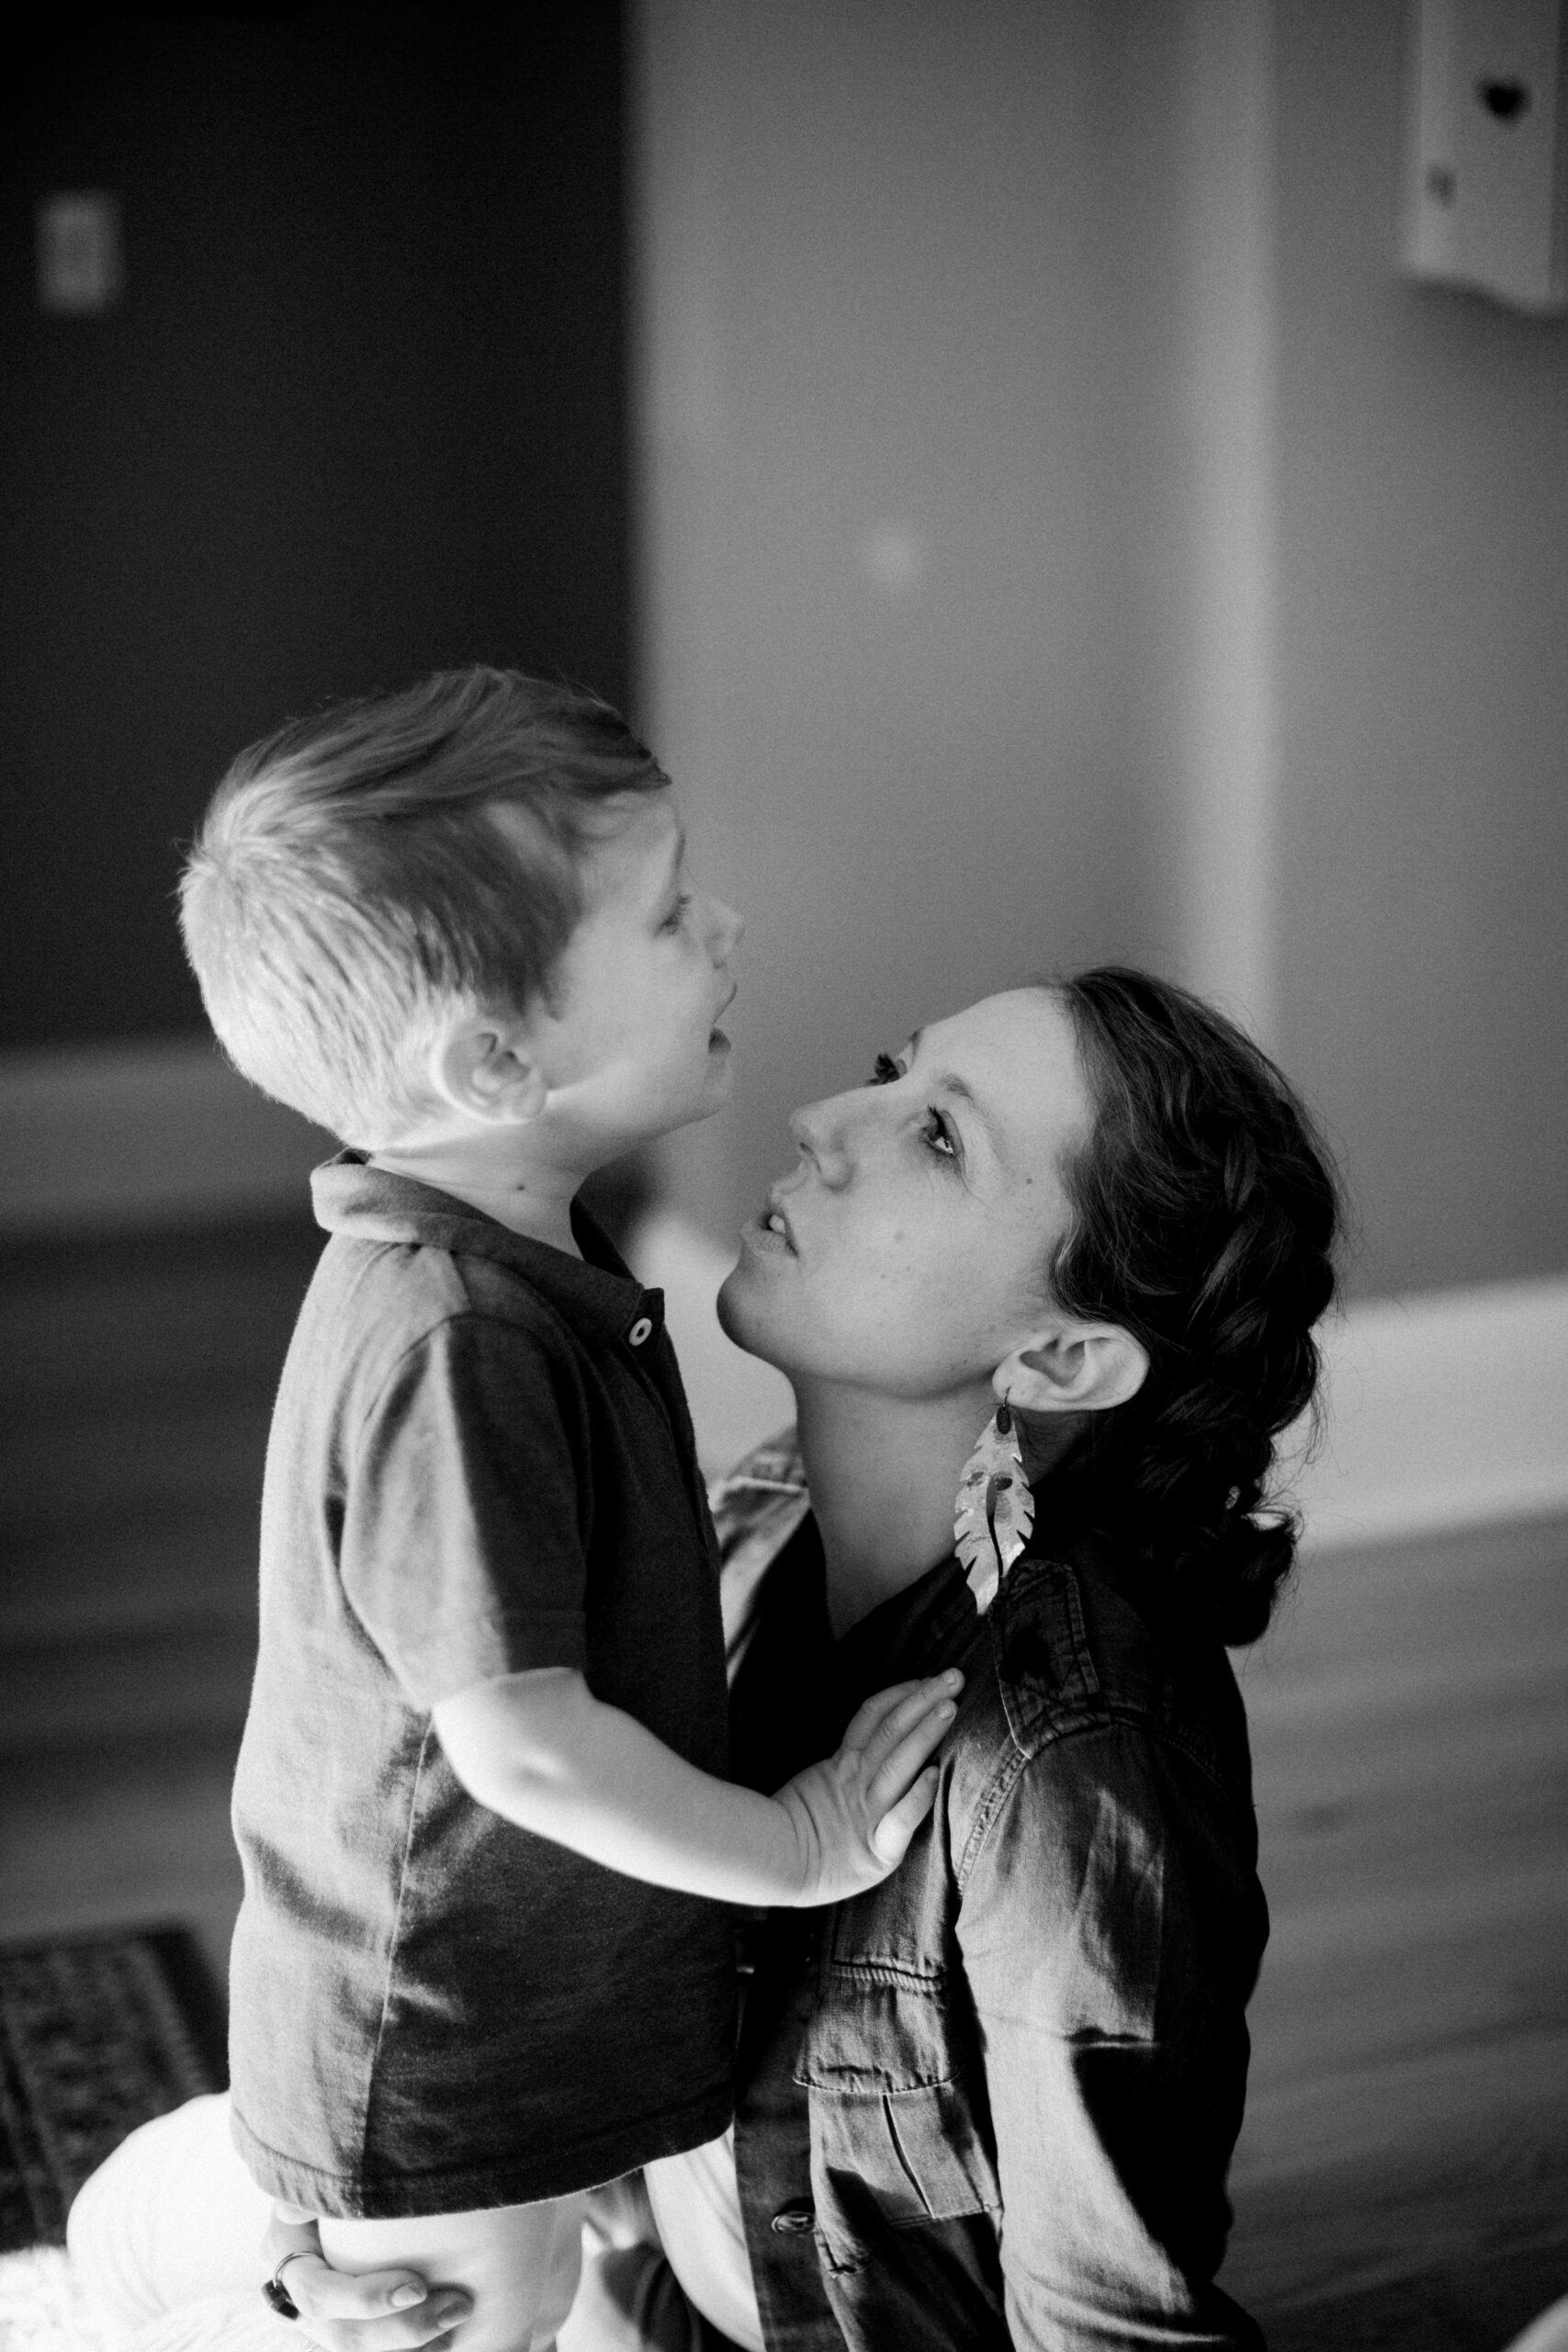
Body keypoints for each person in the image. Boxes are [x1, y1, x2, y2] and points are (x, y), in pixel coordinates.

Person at [72, 967, 1340, 2350]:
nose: (822, 1117)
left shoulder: (1070, 1767)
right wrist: (373, 2209)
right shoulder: (748, 1526)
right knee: (135, 2219)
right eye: (888, 1063)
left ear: (1066, 1357)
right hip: (643, 2279)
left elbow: (1109, 2324)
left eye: (937, 1138)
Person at [138, 668, 961, 2352]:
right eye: (667, 918)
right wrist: (792, 1845)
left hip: (503, 2008)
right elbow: (517, 1747)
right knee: (470, 2323)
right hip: (441, 2040)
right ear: (497, 1055)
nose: (723, 925)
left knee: (560, 2305)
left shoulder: (511, 1272)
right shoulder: (456, 1340)